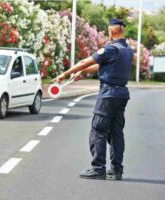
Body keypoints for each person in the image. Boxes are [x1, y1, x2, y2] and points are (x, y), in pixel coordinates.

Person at [52, 19, 134, 180]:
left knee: (98, 130)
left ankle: (98, 168)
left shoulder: (110, 49)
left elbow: (84, 61)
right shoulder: (127, 50)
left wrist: (64, 74)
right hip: (122, 94)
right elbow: (101, 65)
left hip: (108, 94)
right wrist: (83, 73)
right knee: (116, 133)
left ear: (111, 31)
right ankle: (117, 170)